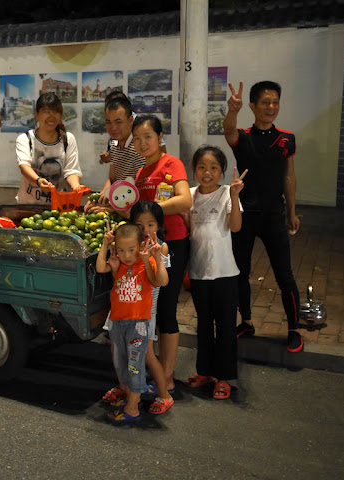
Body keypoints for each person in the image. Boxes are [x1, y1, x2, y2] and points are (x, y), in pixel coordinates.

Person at [224, 81, 303, 353]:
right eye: (266, 102)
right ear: (253, 106)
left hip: (274, 216)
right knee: (240, 273)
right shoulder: (243, 137)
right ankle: (246, 322)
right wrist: (232, 111)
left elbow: (288, 177)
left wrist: (292, 211)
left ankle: (294, 329)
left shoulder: (287, 138)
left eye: (275, 102)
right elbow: (229, 131)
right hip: (245, 216)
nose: (271, 107)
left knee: (285, 275)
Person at [133, 114, 192, 394]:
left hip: (174, 244)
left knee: (166, 310)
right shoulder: (140, 173)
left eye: (148, 137)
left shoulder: (172, 164)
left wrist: (154, 209)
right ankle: (152, 369)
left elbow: (185, 200)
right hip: (148, 249)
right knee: (150, 311)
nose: (143, 143)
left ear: (160, 138)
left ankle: (166, 375)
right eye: (137, 138)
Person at [183, 146, 246, 399]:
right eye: (201, 167)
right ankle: (204, 371)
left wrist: (234, 195)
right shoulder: (189, 195)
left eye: (213, 168)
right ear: (194, 168)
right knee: (204, 325)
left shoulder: (226, 194)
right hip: (198, 272)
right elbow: (187, 228)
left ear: (221, 171)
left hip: (225, 273)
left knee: (227, 326)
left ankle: (224, 377)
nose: (207, 172)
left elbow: (236, 227)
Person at [96, 223, 168, 424]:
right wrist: (105, 243)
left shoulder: (145, 263)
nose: (126, 254)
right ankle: (129, 397)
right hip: (117, 322)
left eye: (131, 249)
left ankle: (133, 408)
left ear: (140, 245)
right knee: (121, 365)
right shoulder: (118, 264)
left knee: (135, 365)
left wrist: (154, 259)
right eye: (121, 249)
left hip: (138, 324)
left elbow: (161, 281)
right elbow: (101, 267)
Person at [16, 92, 83, 205]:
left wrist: (76, 187)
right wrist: (38, 181)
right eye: (47, 112)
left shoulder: (68, 139)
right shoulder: (26, 139)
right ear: (37, 114)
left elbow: (71, 171)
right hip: (29, 205)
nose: (52, 117)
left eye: (56, 112)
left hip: (59, 205)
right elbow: (24, 166)